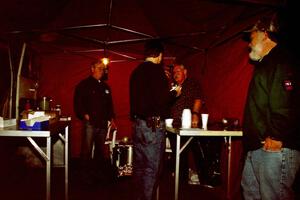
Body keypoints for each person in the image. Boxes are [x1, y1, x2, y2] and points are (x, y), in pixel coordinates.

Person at [241, 13, 300, 200]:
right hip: (258, 148)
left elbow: (286, 103)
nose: (249, 44)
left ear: (264, 34)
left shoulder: (282, 60)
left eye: (251, 37)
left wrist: (276, 136)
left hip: (274, 149)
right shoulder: (266, 64)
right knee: (250, 191)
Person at [129, 39, 181, 200]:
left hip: (138, 124)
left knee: (139, 166)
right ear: (159, 55)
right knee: (153, 168)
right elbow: (161, 100)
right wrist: (174, 94)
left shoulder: (136, 72)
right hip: (153, 126)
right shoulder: (157, 71)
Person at [167, 64, 220, 187]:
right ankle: (181, 180)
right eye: (174, 72)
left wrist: (195, 113)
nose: (175, 73)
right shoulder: (172, 86)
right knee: (178, 153)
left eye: (178, 71)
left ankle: (204, 178)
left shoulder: (192, 84)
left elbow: (198, 99)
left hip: (188, 124)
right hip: (173, 125)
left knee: (194, 151)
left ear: (185, 71)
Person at [73, 60, 117, 186]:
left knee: (100, 150)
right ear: (92, 69)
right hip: (90, 123)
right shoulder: (83, 85)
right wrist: (84, 115)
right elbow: (78, 103)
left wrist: (112, 119)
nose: (101, 71)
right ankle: (83, 177)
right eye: (99, 68)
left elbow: (110, 105)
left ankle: (97, 176)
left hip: (102, 124)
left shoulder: (105, 87)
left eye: (103, 69)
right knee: (86, 150)